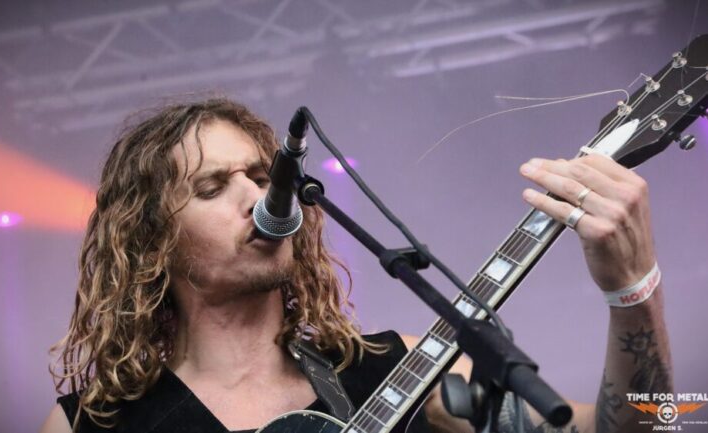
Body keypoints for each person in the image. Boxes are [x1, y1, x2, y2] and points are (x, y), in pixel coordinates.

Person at [39, 98, 672, 433]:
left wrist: (634, 289)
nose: (258, 197)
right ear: (152, 241)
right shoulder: (90, 425)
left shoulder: (407, 371)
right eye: (211, 188)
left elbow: (657, 423)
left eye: (263, 175)